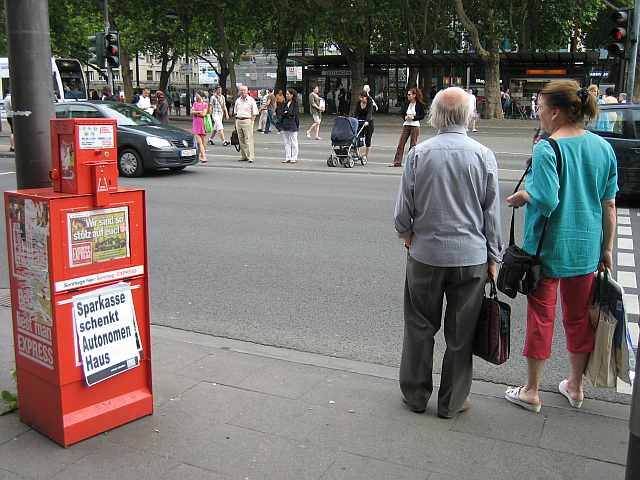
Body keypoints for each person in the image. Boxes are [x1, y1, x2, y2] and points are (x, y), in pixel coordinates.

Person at [504, 80, 618, 414]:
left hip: (547, 251)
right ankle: (576, 387)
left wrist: (524, 195)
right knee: (579, 319)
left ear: (555, 112)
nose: (536, 113)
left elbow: (548, 200)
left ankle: (532, 390)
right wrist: (607, 249)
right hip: (585, 250)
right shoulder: (603, 148)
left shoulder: (546, 148)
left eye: (539, 108)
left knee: (542, 318)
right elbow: (608, 205)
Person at [394, 87, 502, 418]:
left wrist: (407, 234)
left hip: (425, 255)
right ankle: (452, 402)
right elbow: (491, 214)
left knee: (419, 326)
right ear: (468, 116)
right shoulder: (484, 155)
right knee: (461, 334)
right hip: (470, 258)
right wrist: (494, 256)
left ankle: (415, 395)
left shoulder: (419, 155)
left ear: (435, 116)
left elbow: (403, 212)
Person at [392, 87, 426, 167]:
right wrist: (405, 117)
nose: (408, 96)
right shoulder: (407, 103)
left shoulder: (419, 104)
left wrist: (414, 118)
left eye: (409, 94)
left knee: (413, 144)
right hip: (406, 125)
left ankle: (411, 162)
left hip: (415, 126)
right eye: (408, 95)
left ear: (414, 95)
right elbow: (402, 113)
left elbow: (422, 115)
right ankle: (397, 161)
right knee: (401, 143)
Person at [234, 85, 259, 163]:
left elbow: (255, 113)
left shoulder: (251, 100)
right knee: (241, 140)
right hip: (238, 120)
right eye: (241, 90)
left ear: (247, 91)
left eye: (244, 90)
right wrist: (236, 122)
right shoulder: (238, 100)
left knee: (248, 140)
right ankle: (243, 156)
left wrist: (252, 122)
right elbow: (235, 112)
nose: (242, 92)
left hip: (247, 120)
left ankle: (250, 157)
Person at [277, 88, 300, 164]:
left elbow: (294, 114)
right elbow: (281, 112)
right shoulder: (285, 102)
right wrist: (286, 113)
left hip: (292, 124)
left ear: (292, 95)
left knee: (294, 142)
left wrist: (287, 112)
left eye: (288, 94)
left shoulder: (295, 103)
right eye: (286, 94)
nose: (286, 95)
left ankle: (294, 157)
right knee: (286, 142)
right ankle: (288, 157)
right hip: (285, 124)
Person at [354, 90, 374, 160]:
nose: (361, 100)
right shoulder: (358, 103)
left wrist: (367, 121)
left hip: (368, 122)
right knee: (357, 137)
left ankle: (366, 154)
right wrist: (354, 119)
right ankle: (357, 153)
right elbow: (356, 112)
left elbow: (369, 113)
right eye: (360, 98)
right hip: (359, 121)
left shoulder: (370, 102)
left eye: (362, 98)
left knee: (368, 139)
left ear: (366, 97)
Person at [191, 92, 208, 163]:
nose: (196, 96)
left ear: (201, 96)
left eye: (197, 95)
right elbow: (192, 112)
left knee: (202, 141)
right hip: (196, 124)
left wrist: (196, 112)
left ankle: (203, 156)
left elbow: (203, 114)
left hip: (202, 123)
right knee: (199, 141)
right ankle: (203, 156)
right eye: (196, 95)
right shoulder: (195, 104)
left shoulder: (205, 104)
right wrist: (199, 112)